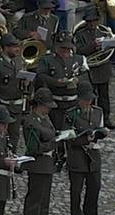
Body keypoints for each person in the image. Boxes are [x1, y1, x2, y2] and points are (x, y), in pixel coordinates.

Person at [36, 31, 89, 170]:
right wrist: (55, 82)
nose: (66, 51)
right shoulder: (48, 59)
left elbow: (86, 75)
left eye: (68, 48)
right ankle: (58, 156)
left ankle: (72, 156)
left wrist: (77, 80)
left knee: (72, 129)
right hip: (56, 101)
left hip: (72, 101)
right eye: (63, 48)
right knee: (57, 130)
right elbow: (40, 76)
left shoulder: (78, 59)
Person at [65, 81, 107, 215]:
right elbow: (68, 136)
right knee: (76, 187)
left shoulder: (98, 112)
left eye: (90, 99)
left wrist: (99, 134)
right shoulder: (71, 114)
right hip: (77, 154)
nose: (88, 102)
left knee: (94, 184)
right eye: (85, 99)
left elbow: (100, 128)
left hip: (93, 154)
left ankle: (91, 211)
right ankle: (76, 214)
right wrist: (84, 138)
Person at [22, 88, 57, 215]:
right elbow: (33, 147)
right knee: (35, 197)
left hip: (47, 162)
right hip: (38, 163)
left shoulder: (45, 118)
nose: (49, 108)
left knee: (45, 197)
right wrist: (51, 144)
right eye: (46, 105)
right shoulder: (31, 121)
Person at [0, 33, 27, 151]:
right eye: (14, 46)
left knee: (14, 136)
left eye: (17, 46)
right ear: (5, 48)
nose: (17, 49)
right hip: (3, 106)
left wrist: (27, 83)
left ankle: (11, 157)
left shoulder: (18, 62)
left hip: (16, 106)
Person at [74, 7, 115, 129]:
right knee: (90, 96)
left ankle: (105, 118)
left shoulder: (104, 32)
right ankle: (91, 120)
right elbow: (79, 50)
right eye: (89, 21)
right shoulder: (80, 34)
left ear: (98, 21)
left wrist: (109, 42)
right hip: (90, 69)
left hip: (103, 68)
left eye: (94, 21)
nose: (92, 24)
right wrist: (93, 46)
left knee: (104, 96)